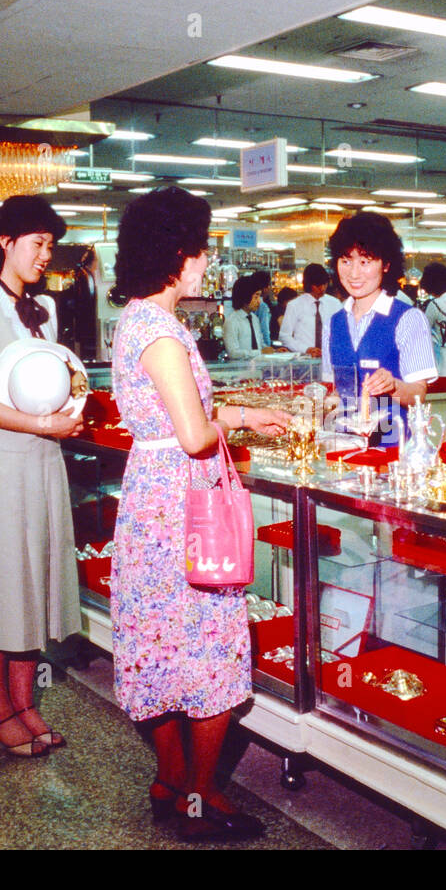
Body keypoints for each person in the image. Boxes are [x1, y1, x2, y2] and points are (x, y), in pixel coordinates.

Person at [109, 186, 288, 842]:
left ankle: (171, 778)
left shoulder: (136, 320)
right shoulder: (160, 330)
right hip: (184, 506)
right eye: (201, 248)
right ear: (176, 253)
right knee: (210, 644)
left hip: (151, 501)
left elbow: (175, 416)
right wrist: (226, 427)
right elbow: (190, 434)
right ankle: (202, 794)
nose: (207, 261)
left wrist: (240, 414)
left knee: (159, 640)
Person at [0, 194, 82, 758]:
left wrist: (69, 411)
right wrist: (40, 422)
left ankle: (26, 705)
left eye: (51, 245)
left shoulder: (45, 310)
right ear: (6, 242)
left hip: (42, 460)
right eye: (37, 243)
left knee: (35, 582)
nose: (45, 255)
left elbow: (57, 377)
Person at [321, 211, 438, 447]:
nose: (354, 273)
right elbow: (333, 391)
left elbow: (419, 395)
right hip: (343, 449)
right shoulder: (333, 323)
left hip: (394, 450)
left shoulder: (408, 319)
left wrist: (393, 385)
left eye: (365, 262)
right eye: (346, 261)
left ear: (385, 265)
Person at [279, 262, 342, 357]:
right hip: (304, 359)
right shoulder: (294, 305)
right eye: (318, 285)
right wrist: (306, 349)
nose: (322, 288)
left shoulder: (335, 304)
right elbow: (285, 336)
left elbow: (342, 332)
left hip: (331, 357)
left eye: (325, 284)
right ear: (309, 285)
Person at [223, 273, 278, 360]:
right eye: (256, 296)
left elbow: (259, 343)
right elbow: (233, 353)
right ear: (246, 296)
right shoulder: (232, 321)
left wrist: (274, 351)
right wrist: (259, 352)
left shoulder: (254, 319)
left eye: (259, 296)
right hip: (240, 371)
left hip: (257, 369)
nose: (259, 301)